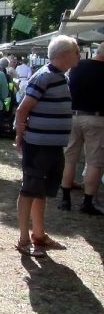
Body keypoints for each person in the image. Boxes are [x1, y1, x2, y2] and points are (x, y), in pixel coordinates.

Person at [14, 35, 79, 257]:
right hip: (38, 146)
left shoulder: (59, 76)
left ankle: (39, 234)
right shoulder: (44, 77)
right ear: (64, 55)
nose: (79, 55)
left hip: (53, 146)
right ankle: (24, 238)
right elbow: (23, 109)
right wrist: (20, 135)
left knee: (41, 190)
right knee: (30, 189)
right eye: (76, 51)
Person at [59, 44, 104, 215]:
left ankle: (65, 198)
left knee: (70, 158)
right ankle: (87, 202)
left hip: (73, 116)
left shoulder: (78, 66)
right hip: (97, 118)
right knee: (94, 161)